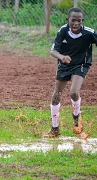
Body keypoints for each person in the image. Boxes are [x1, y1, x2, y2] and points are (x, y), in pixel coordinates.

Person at [45, 7, 97, 138]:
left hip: (81, 64)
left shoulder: (89, 33)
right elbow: (53, 51)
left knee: (74, 92)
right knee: (56, 95)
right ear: (68, 20)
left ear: (82, 21)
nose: (76, 23)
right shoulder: (62, 31)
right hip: (64, 64)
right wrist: (62, 57)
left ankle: (76, 119)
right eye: (73, 20)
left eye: (79, 20)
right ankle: (55, 128)